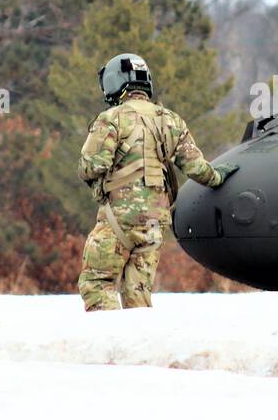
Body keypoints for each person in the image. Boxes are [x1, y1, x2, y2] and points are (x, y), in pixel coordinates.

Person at [77, 53, 237, 311]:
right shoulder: (170, 119)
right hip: (154, 222)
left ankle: (109, 345)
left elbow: (92, 166)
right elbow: (197, 169)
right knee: (138, 292)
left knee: (97, 283)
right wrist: (219, 177)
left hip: (118, 219)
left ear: (114, 82)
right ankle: (140, 346)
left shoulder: (111, 119)